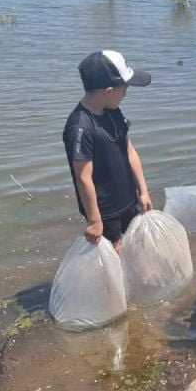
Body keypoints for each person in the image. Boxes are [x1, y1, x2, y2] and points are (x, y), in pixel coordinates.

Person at [63, 50, 153, 253]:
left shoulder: (113, 111)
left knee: (134, 244)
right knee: (113, 250)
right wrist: (95, 220)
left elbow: (129, 150)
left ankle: (131, 280)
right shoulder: (80, 127)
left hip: (129, 198)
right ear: (109, 91)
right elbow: (83, 178)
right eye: (125, 88)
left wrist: (143, 191)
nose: (127, 94)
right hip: (105, 210)